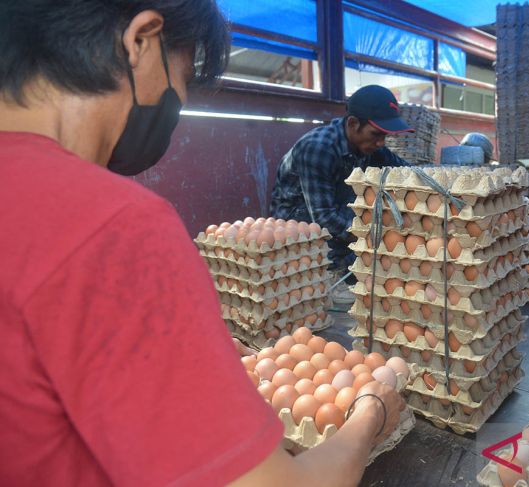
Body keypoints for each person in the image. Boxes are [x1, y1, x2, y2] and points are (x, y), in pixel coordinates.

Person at [0, 2, 404, 486]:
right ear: (142, 41)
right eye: (185, 72)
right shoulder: (110, 225)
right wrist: (370, 413)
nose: (182, 93)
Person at [269, 85, 413, 304]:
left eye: (385, 136)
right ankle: (330, 269)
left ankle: (344, 261)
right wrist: (375, 239)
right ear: (353, 124)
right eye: (376, 134)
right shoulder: (318, 148)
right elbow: (324, 219)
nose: (381, 143)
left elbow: (407, 172)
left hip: (339, 218)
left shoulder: (369, 145)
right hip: (301, 229)